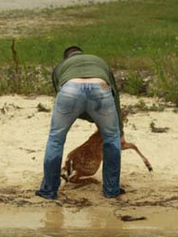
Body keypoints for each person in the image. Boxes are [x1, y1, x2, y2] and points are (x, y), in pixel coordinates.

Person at [36, 46, 125, 199]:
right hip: (101, 87)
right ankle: (112, 190)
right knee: (111, 139)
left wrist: (81, 114)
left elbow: (60, 93)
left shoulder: (61, 67)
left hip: (70, 89)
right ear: (83, 54)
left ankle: (49, 190)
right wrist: (120, 131)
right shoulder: (99, 61)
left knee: (56, 139)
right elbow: (114, 95)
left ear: (67, 58)